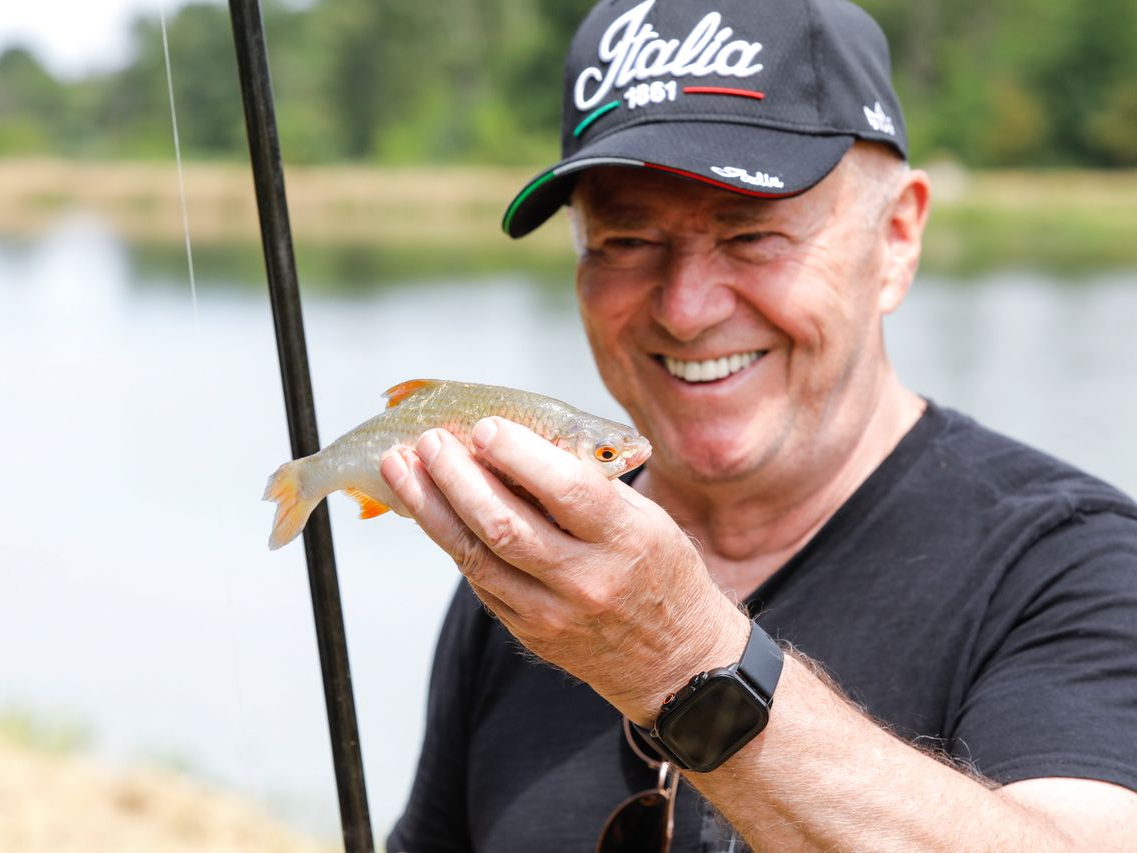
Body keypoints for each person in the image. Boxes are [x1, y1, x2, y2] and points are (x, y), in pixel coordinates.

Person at [379, 0, 1137, 849]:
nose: (688, 309)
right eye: (626, 239)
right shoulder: (535, 561)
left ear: (896, 238)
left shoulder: (1080, 566)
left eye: (753, 234)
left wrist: (678, 658)